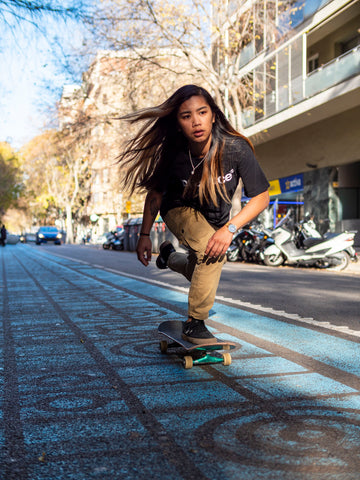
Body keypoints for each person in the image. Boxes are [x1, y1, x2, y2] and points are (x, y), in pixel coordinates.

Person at [118, 85, 269, 344]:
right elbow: (155, 195)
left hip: (217, 220)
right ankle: (195, 323)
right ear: (178, 123)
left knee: (201, 264)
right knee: (212, 255)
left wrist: (229, 229)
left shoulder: (235, 149)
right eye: (186, 116)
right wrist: (144, 234)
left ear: (213, 115)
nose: (196, 121)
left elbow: (261, 197)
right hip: (178, 209)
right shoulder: (174, 154)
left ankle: (169, 257)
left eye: (202, 112)